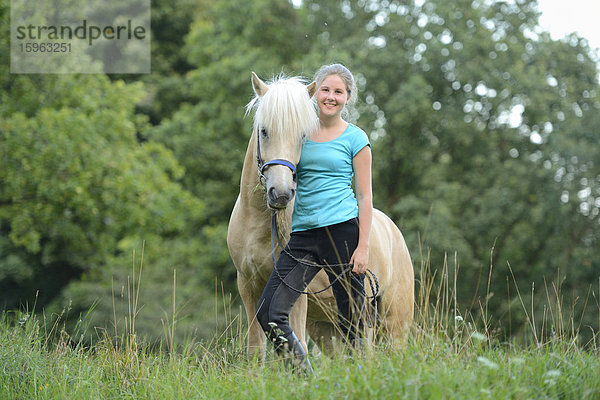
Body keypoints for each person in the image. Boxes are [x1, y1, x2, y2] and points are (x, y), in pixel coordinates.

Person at [256, 63, 373, 373]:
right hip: (305, 235)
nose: (331, 97)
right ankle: (305, 378)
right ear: (314, 93)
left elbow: (364, 196)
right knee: (269, 313)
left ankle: (359, 385)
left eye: (339, 91)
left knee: (353, 324)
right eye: (325, 90)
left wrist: (362, 248)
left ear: (348, 97)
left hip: (343, 233)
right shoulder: (299, 134)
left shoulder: (356, 138)